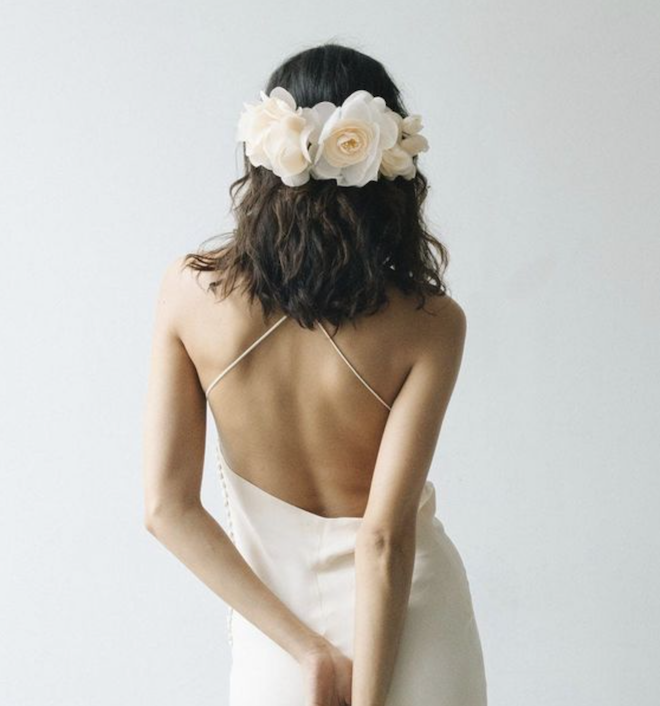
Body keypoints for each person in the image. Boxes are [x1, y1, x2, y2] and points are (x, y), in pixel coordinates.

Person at [143, 42, 487, 706]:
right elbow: (384, 539)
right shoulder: (431, 322)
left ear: (265, 157)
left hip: (281, 636)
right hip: (414, 624)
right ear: (392, 169)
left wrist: (306, 652)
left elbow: (167, 508)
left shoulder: (189, 293)